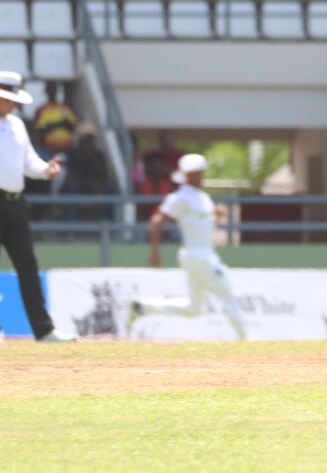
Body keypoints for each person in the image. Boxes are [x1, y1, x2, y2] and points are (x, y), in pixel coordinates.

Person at [126, 154, 247, 340]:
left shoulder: (203, 197)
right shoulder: (180, 197)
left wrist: (217, 217)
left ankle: (142, 307)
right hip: (198, 256)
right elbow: (157, 222)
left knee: (193, 309)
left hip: (201, 255)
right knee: (227, 294)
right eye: (199, 172)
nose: (202, 176)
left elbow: (203, 226)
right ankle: (245, 339)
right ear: (189, 175)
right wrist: (154, 253)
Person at [0, 71, 77, 342]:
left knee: (28, 266)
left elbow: (28, 163)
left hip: (14, 203)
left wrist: (46, 171)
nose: (11, 105)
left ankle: (44, 330)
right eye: (7, 99)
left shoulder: (17, 125)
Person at [61, 123, 115, 221]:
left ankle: (107, 223)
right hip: (80, 186)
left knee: (109, 187)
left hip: (95, 187)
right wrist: (90, 184)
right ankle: (70, 225)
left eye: (91, 140)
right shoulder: (72, 154)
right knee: (72, 188)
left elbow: (104, 175)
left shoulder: (98, 155)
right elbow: (70, 178)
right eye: (85, 140)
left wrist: (93, 159)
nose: (88, 143)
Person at [32, 81, 78, 156]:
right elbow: (40, 131)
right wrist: (61, 124)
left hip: (68, 149)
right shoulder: (41, 110)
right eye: (50, 90)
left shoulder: (67, 107)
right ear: (46, 91)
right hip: (48, 151)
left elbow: (72, 126)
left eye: (54, 90)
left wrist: (52, 125)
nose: (52, 92)